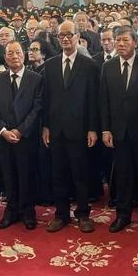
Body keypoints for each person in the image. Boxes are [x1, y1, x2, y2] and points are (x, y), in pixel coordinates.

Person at [99, 26, 138, 234]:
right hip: (119, 132)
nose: (121, 44)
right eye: (118, 40)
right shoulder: (108, 66)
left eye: (125, 40)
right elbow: (103, 100)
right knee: (123, 176)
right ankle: (122, 215)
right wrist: (105, 129)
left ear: (135, 42)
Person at [41, 20, 99, 233]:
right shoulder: (50, 64)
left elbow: (94, 99)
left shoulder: (89, 65)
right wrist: (45, 126)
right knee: (59, 174)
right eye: (61, 36)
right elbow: (46, 98)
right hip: (56, 129)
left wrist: (93, 128)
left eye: (69, 35)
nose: (65, 39)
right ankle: (61, 214)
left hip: (80, 129)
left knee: (80, 174)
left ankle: (83, 214)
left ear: (77, 36)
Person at [0, 41, 43, 230]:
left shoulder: (35, 78)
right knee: (8, 176)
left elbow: (37, 108)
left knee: (26, 175)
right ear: (5, 57)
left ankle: (28, 211)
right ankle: (11, 211)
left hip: (25, 137)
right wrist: (3, 131)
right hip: (4, 138)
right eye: (10, 53)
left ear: (24, 55)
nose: (14, 56)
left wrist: (20, 130)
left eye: (18, 52)